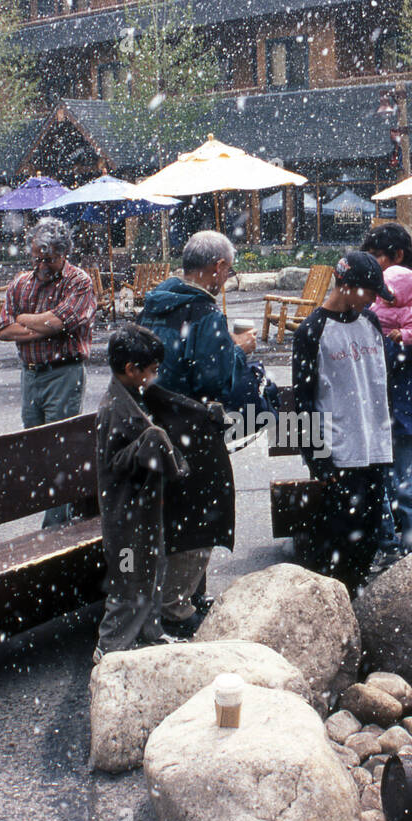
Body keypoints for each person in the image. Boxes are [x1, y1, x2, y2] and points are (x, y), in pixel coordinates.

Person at [137, 230, 253, 635]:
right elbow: (214, 379)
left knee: (170, 513)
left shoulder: (153, 304)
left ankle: (174, 597)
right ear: (217, 267)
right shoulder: (205, 313)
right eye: (228, 270)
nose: (227, 278)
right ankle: (177, 607)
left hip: (151, 422)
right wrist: (238, 350)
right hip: (190, 426)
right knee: (203, 512)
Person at [291, 251, 395, 594]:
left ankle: (355, 594)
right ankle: (334, 599)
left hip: (375, 448)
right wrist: (316, 458)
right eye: (369, 292)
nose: (373, 300)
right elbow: (303, 401)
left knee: (368, 534)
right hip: (339, 453)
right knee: (335, 538)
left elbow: (381, 380)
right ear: (346, 286)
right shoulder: (312, 331)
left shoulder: (371, 323)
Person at [94, 324, 188, 661]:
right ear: (131, 370)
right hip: (124, 514)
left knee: (153, 569)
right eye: (151, 371)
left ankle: (151, 632)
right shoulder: (113, 409)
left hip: (144, 509)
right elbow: (114, 462)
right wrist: (150, 443)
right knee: (127, 582)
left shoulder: (130, 397)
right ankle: (110, 649)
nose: (154, 377)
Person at [0, 218, 97, 525]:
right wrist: (43, 326)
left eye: (49, 259)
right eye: (37, 258)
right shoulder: (20, 283)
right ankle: (65, 512)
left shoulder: (79, 282)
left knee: (60, 449)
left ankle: (55, 525)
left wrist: (25, 320)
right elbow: (3, 330)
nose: (42, 265)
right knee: (37, 451)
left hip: (64, 372)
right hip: (30, 374)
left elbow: (62, 322)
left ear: (64, 254)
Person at [361, 222, 412, 557]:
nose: (372, 267)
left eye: (377, 259)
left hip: (410, 402)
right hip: (381, 403)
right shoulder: (375, 294)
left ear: (397, 256)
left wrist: (387, 346)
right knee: (380, 483)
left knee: (405, 486)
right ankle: (386, 546)